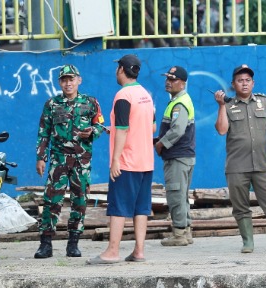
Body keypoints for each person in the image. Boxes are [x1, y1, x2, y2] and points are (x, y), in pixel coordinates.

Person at [214, 64, 266, 253]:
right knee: (240, 205)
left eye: (247, 80)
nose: (244, 84)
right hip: (236, 165)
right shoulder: (228, 105)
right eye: (240, 80)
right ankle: (248, 242)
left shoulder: (263, 102)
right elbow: (222, 130)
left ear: (253, 83)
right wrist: (221, 106)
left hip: (261, 163)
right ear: (233, 84)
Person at [88, 54, 156, 264]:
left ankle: (112, 251)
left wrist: (116, 159)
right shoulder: (145, 94)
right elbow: (151, 127)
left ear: (121, 70)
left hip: (127, 161)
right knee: (141, 208)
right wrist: (114, 130)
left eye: (117, 67)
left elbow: (125, 129)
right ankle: (139, 251)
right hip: (146, 161)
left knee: (118, 207)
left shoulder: (123, 96)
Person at [34, 64, 103, 259]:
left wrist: (92, 132)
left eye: (71, 79)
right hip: (58, 159)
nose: (68, 83)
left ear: (79, 80)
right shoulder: (52, 104)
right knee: (51, 201)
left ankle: (73, 243)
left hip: (82, 160)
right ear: (59, 82)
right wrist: (41, 158)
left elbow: (99, 125)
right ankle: (45, 243)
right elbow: (43, 133)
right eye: (64, 80)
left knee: (79, 201)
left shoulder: (90, 103)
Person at [155, 65, 196, 248]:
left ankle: (179, 234)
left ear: (183, 83)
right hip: (183, 156)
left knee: (175, 194)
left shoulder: (179, 103)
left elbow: (177, 130)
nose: (168, 82)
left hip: (178, 156)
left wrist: (161, 143)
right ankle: (186, 231)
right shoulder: (180, 100)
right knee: (182, 195)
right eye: (167, 79)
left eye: (173, 80)